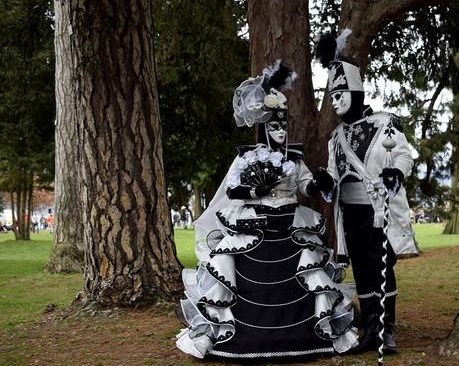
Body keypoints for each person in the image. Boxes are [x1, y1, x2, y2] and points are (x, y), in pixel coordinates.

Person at [175, 61, 358, 361]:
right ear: (264, 128)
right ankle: (216, 333)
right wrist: (255, 191)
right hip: (255, 229)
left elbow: (309, 188)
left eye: (283, 125)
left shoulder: (296, 160)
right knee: (226, 265)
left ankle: (311, 336)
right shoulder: (247, 158)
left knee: (310, 266)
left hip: (290, 229)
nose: (280, 131)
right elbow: (233, 191)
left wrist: (322, 182)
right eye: (274, 126)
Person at [312, 29, 420, 354]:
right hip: (350, 216)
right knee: (362, 272)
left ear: (356, 90)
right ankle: (371, 331)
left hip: (378, 211)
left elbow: (404, 156)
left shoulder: (385, 123)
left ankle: (387, 334)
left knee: (382, 268)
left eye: (341, 92)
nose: (336, 100)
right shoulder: (336, 138)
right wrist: (327, 184)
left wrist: (394, 173)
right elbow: (334, 176)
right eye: (332, 95)